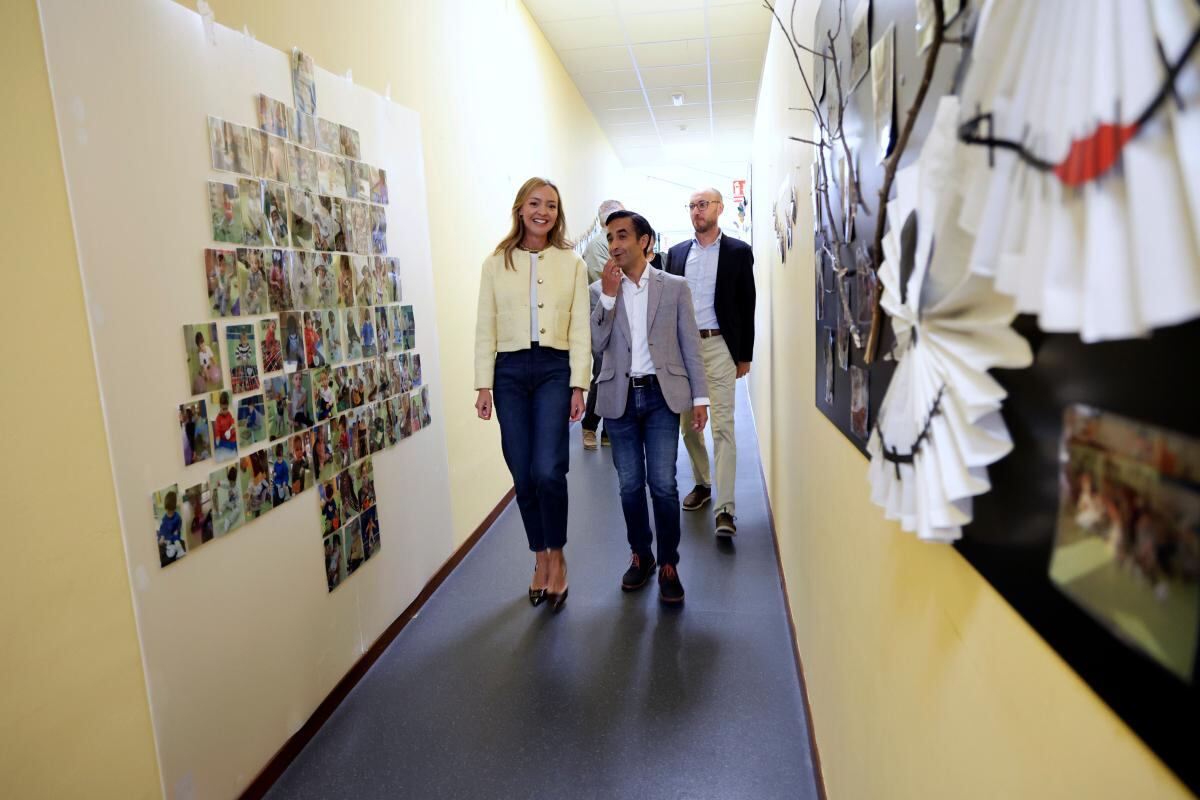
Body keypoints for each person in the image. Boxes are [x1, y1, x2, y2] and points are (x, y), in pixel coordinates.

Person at [474, 177, 589, 611]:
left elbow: (580, 328)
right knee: (522, 474)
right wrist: (482, 383)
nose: (544, 212)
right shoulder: (495, 263)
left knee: (548, 470)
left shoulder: (571, 263)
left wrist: (580, 383)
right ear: (520, 208)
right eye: (536, 203)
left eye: (553, 206)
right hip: (509, 372)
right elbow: (485, 325)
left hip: (554, 370)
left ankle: (557, 556)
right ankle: (538, 557)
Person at [592, 211, 708, 605]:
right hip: (618, 398)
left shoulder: (674, 287)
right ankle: (641, 555)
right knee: (628, 486)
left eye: (622, 235)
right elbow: (595, 343)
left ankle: (669, 563)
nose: (615, 244)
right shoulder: (600, 290)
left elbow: (690, 344)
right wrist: (607, 297)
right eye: (610, 237)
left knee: (663, 484)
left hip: (661, 396)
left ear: (644, 241)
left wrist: (700, 398)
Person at [666, 188, 756, 538]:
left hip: (719, 346)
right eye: (691, 206)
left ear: (719, 208)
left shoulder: (738, 252)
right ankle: (703, 483)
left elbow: (747, 305)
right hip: (683, 351)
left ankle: (726, 509)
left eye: (703, 205)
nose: (696, 211)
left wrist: (744, 354)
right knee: (688, 427)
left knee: (722, 427)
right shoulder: (675, 254)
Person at [579, 199, 623, 451]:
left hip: (620, 323)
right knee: (602, 376)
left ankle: (607, 430)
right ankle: (589, 426)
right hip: (602, 319)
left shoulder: (615, 242)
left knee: (616, 376)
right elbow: (604, 285)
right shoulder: (598, 245)